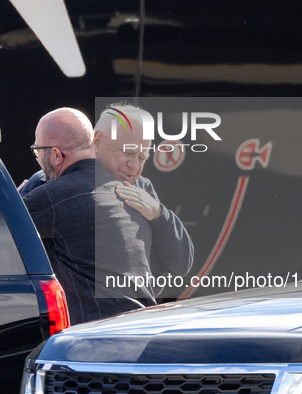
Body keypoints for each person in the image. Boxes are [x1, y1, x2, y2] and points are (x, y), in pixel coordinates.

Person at [21, 108, 166, 325]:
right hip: (145, 326)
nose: (39, 160)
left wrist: (18, 197)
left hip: (100, 335)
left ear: (55, 155)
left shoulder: (50, 197)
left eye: (38, 151)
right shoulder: (133, 190)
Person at [93, 104, 194, 292]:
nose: (134, 166)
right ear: (97, 140)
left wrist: (158, 214)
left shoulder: (141, 187)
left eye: (142, 158)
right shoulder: (57, 180)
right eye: (128, 152)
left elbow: (181, 265)